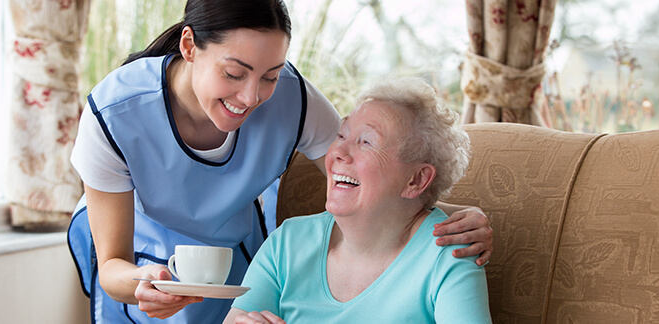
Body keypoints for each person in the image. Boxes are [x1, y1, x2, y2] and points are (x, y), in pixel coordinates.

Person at [67, 0, 493, 323]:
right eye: (235, 73)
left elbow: (381, 183)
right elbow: (112, 266)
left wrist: (459, 218)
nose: (251, 98)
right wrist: (144, 282)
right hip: (140, 260)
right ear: (189, 45)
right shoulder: (115, 113)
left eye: (270, 75)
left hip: (229, 248)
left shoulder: (294, 99)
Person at [224, 77, 492, 324]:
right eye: (341, 135)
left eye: (366, 142)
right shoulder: (288, 242)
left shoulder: (450, 252)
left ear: (416, 180)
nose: (338, 151)